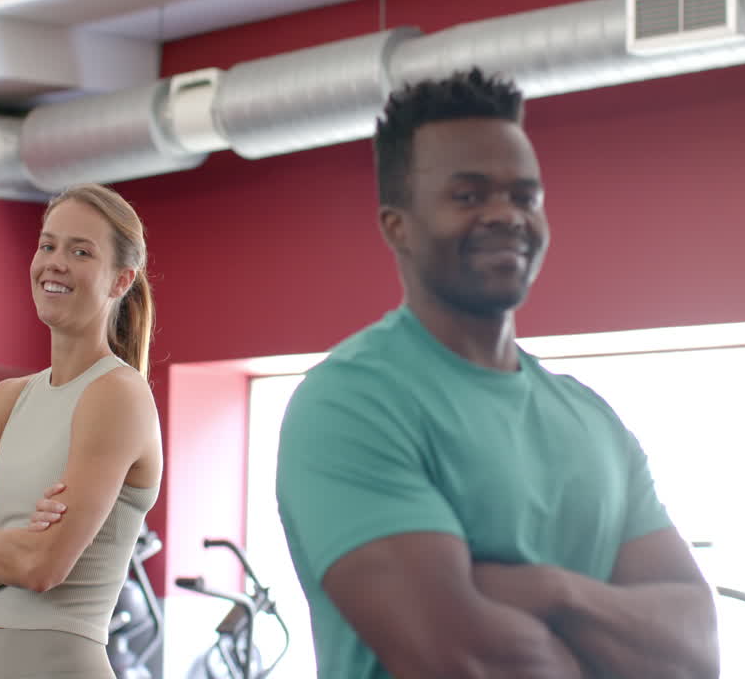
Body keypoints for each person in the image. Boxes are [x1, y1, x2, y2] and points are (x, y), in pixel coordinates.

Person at [274, 68, 720, 679]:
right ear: (395, 225)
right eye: (468, 195)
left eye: (524, 196)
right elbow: (464, 661)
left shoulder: (592, 421)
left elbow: (695, 654)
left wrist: (548, 591)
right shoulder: (352, 402)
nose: (506, 215)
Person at [0, 182, 163, 679]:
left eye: (80, 251)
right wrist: (15, 547)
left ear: (121, 280)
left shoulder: (118, 394)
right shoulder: (9, 401)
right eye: (47, 244)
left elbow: (42, 569)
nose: (54, 262)